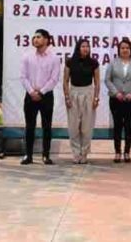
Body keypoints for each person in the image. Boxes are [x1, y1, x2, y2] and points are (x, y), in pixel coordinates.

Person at [19, 29, 60, 165]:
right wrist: (31, 92)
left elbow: (54, 79)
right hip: (30, 95)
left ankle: (45, 155)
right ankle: (28, 155)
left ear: (47, 40)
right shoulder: (27, 56)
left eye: (39, 37)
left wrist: (41, 92)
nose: (35, 39)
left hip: (46, 96)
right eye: (34, 37)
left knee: (46, 126)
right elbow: (23, 77)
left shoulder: (54, 58)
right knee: (29, 126)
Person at [104, 38, 131, 163]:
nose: (125, 50)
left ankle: (127, 152)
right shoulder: (113, 63)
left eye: (127, 48)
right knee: (117, 126)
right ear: (119, 50)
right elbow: (107, 80)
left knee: (128, 126)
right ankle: (117, 152)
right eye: (122, 48)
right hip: (116, 100)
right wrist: (116, 93)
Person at [63, 39, 100, 164]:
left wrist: (96, 98)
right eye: (83, 46)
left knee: (86, 127)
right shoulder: (70, 62)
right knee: (74, 126)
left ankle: (84, 153)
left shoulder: (93, 63)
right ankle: (75, 153)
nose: (85, 49)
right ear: (78, 48)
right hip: (74, 93)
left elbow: (97, 82)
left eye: (87, 46)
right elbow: (65, 81)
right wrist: (67, 97)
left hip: (88, 94)